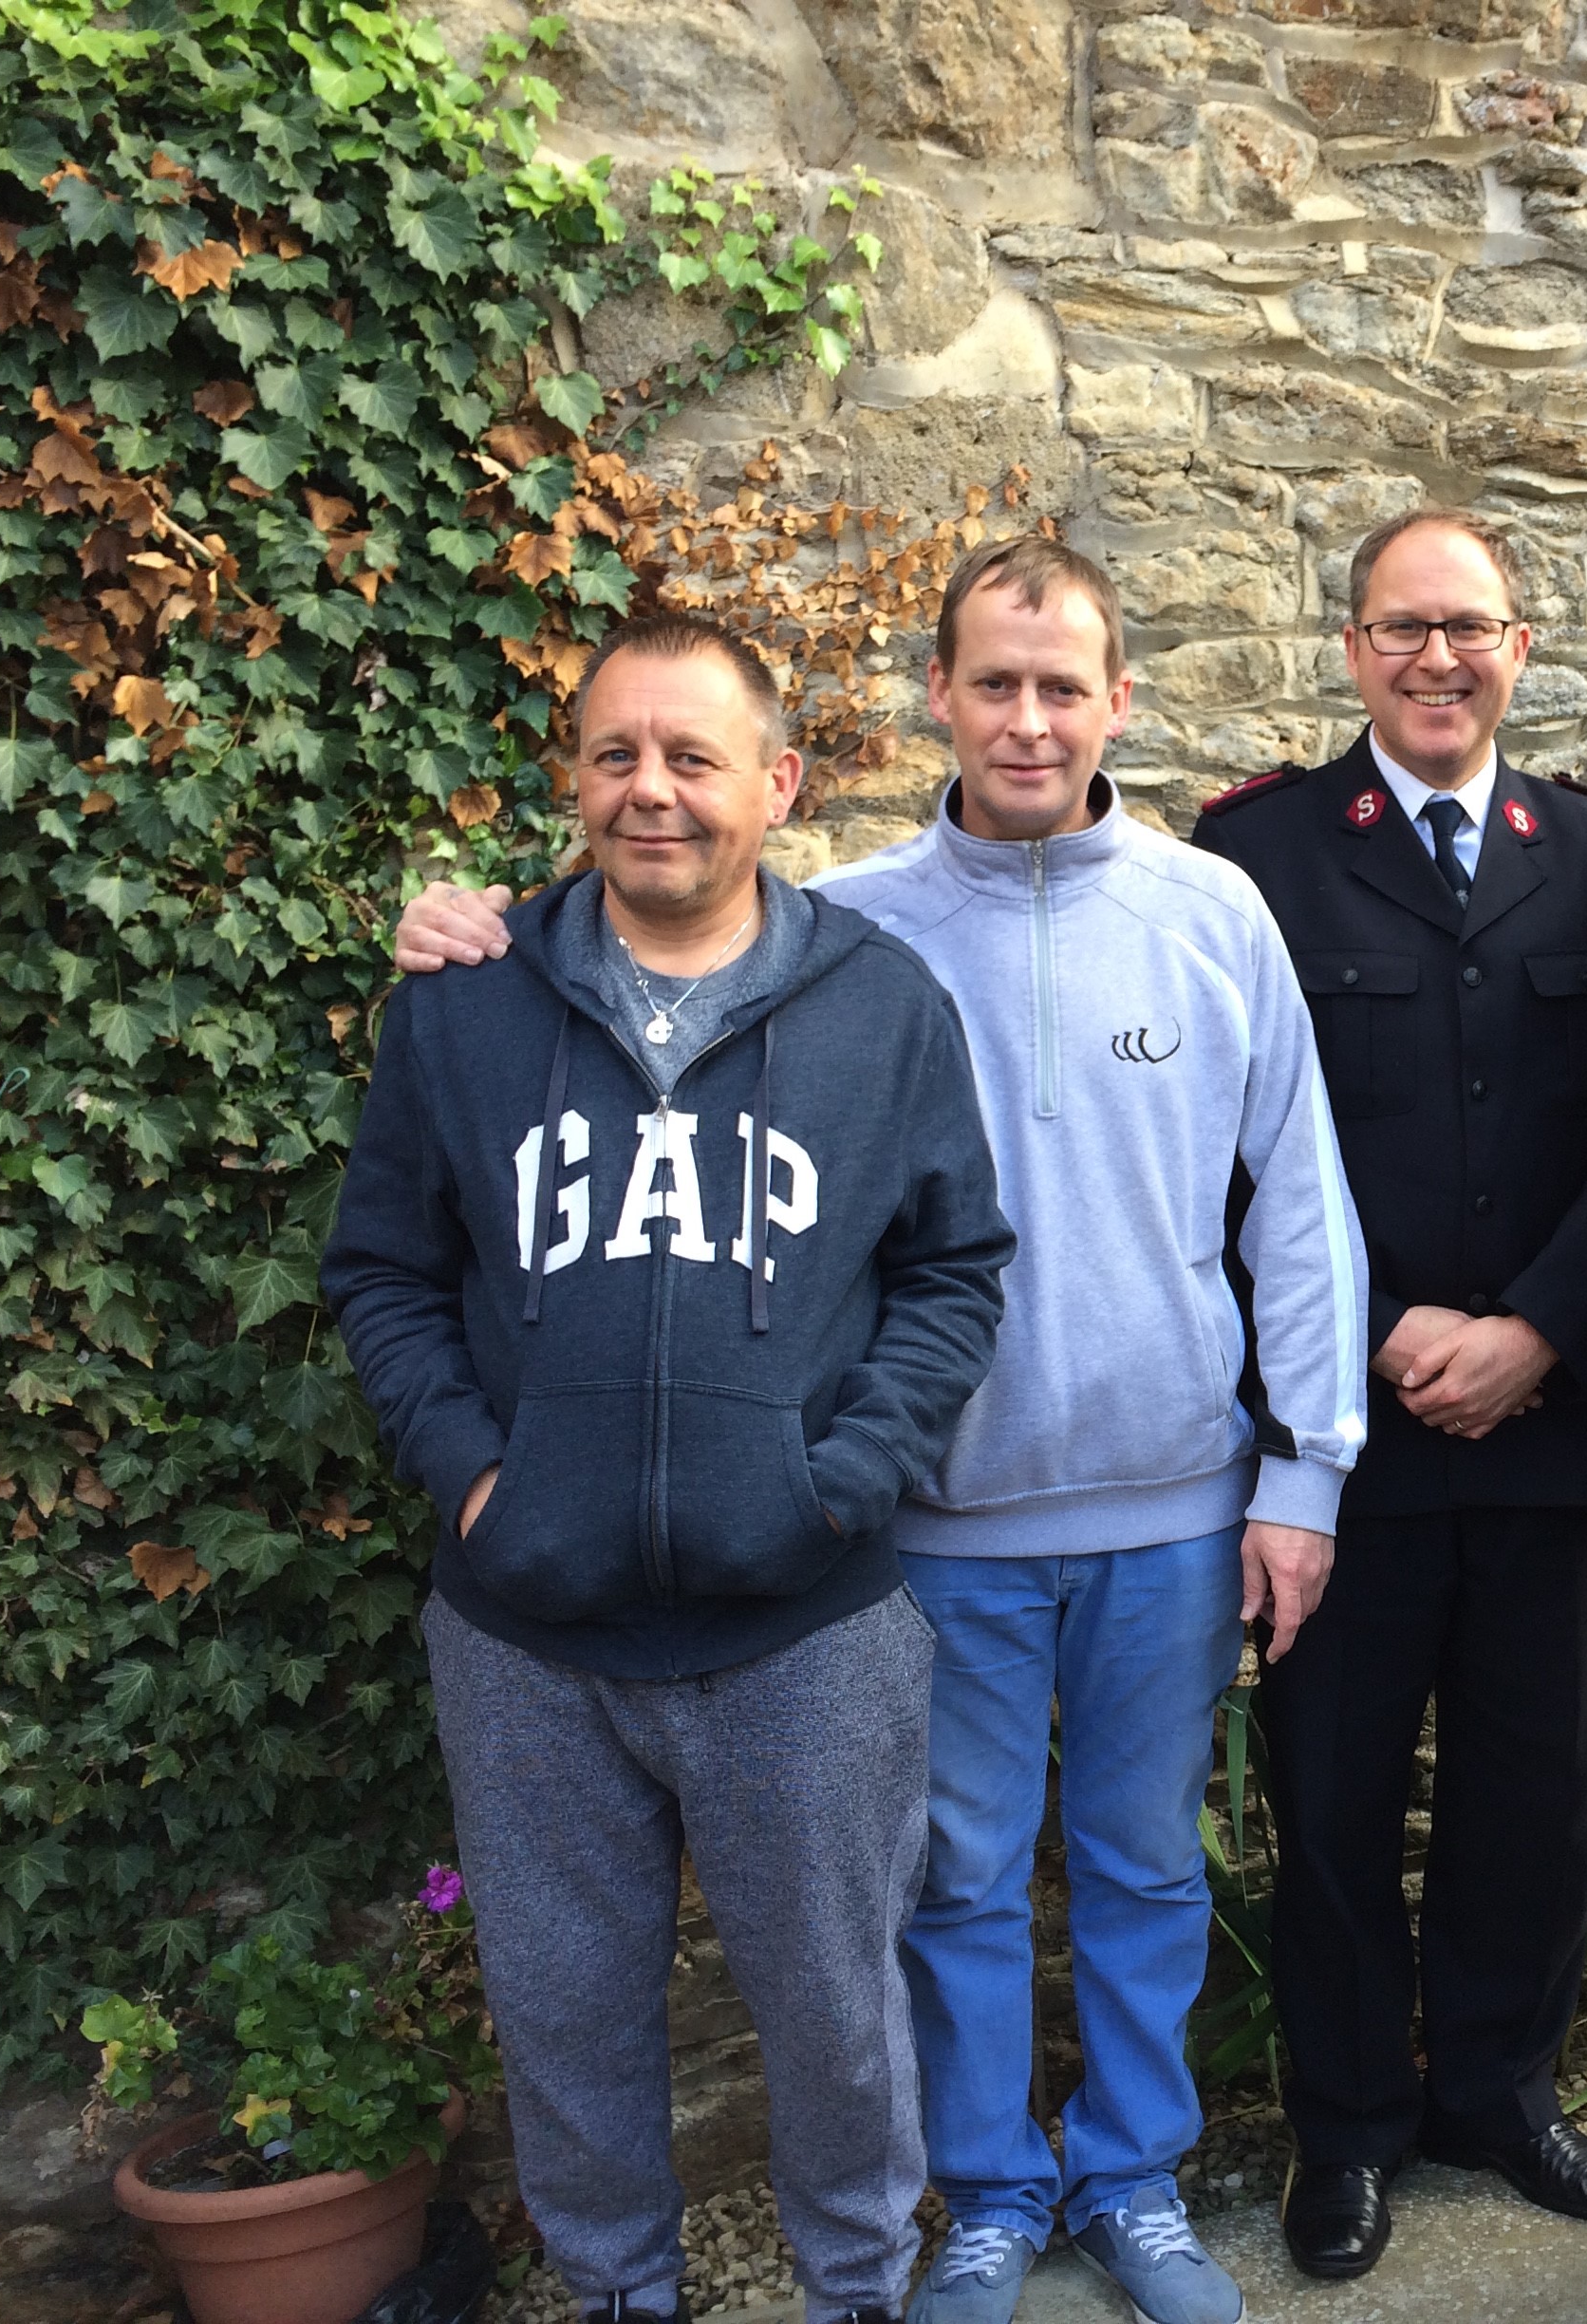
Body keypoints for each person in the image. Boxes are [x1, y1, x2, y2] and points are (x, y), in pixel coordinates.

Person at [385, 543, 1372, 2324]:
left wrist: (1304, 1469)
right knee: (961, 1887)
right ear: (937, 695)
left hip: (1168, 1505)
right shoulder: (854, 925)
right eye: (993, 682)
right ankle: (989, 2189)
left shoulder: (1214, 914)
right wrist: (469, 921)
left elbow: (1297, 1206)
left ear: (1117, 702)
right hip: (935, 1524)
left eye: (1062, 684)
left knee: (1151, 1864)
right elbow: (647, 903)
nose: (1027, 716)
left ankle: (1135, 2176)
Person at [323, 613, 1015, 2324]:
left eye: (694, 757)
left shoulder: (881, 1006)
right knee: (563, 2021)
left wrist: (841, 1482)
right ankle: (622, 2298)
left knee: (840, 2025)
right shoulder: (470, 1005)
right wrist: (477, 1477)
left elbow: (953, 1268)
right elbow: (388, 1273)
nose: (654, 792)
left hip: (809, 1627)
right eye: (617, 753)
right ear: (572, 775)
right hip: (526, 1634)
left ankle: (856, 2294)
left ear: (776, 785)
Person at [1190, 509, 1587, 2277]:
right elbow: (1233, 1152)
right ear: (1352, 647)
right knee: (1332, 1796)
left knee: (1537, 1792)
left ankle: (1500, 2094)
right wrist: (1382, 1331)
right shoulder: (1257, 858)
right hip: (1343, 1440)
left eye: (1470, 628)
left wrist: (1537, 1322)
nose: (1437, 659)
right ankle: (1350, 2129)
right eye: (1402, 629)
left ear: (1521, 646)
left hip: (1553, 1419)